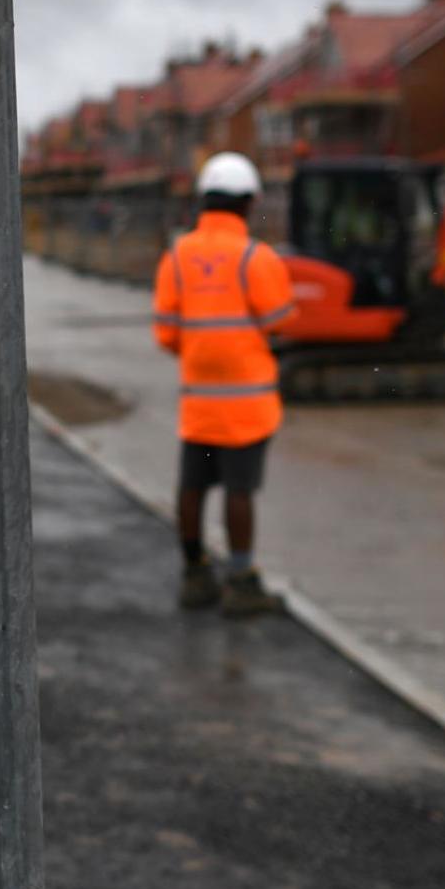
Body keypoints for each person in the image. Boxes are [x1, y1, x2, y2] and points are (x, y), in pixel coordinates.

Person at [154, 152, 296, 617]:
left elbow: (166, 333)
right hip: (248, 407)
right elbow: (280, 322)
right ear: (249, 203)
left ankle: (195, 576)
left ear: (204, 201)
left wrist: (200, 353)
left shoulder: (177, 256)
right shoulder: (257, 257)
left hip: (199, 405)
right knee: (240, 491)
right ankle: (241, 582)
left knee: (192, 487)